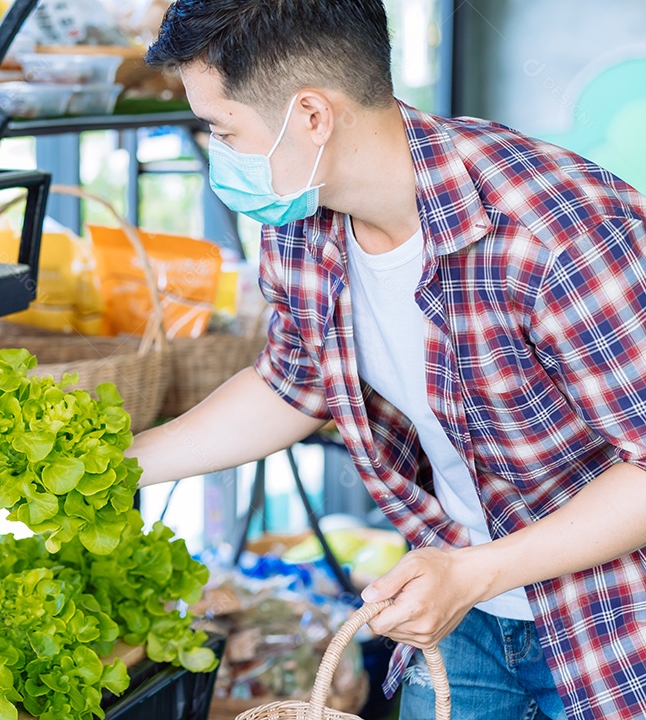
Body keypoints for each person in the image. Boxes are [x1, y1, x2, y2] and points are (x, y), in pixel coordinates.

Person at [127, 2, 646, 719]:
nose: (219, 154)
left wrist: (474, 573)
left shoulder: (560, 231)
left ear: (311, 115)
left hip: (612, 620)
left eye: (223, 131)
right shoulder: (301, 216)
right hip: (461, 605)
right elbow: (292, 385)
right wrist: (120, 461)